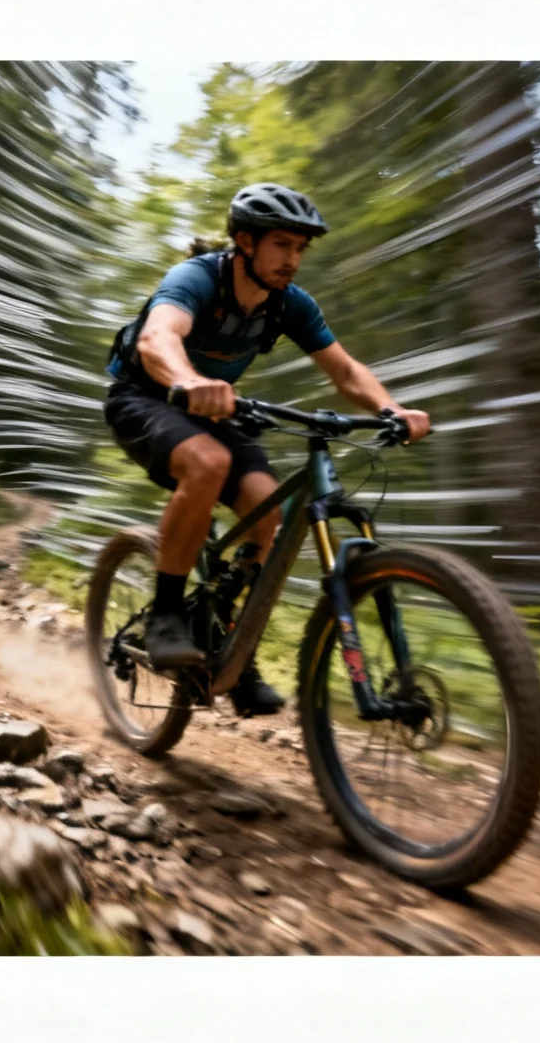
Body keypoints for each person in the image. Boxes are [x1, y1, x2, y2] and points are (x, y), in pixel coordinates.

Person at [102, 183, 431, 716]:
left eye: (301, 249)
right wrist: (188, 381)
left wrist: (390, 410)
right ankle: (167, 615)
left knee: (269, 513)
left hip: (217, 407)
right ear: (245, 242)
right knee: (210, 463)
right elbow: (157, 338)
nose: (293, 259)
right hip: (146, 397)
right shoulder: (198, 279)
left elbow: (345, 369)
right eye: (282, 244)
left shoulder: (288, 305)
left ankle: (231, 642)